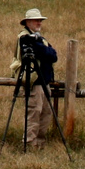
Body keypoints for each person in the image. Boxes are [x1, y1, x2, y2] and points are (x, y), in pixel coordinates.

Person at [10, 8, 59, 146]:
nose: (39, 23)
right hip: (33, 81)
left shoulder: (38, 38)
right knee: (34, 112)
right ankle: (30, 143)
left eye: (40, 20)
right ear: (28, 22)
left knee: (46, 113)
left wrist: (45, 51)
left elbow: (53, 55)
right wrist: (46, 51)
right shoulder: (24, 38)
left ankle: (40, 142)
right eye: (36, 20)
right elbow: (47, 53)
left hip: (44, 81)